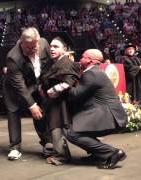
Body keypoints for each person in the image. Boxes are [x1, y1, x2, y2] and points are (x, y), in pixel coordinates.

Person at [67, 49, 128, 169]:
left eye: (83, 57)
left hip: (109, 116)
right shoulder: (95, 72)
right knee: (83, 131)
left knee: (73, 134)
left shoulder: (92, 73)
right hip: (108, 114)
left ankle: (112, 152)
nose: (80, 59)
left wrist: (65, 83)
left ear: (91, 60)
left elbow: (74, 94)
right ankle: (99, 154)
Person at [3, 27, 52, 160]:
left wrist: (44, 85)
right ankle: (15, 147)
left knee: (40, 114)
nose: (32, 50)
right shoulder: (13, 57)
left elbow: (49, 64)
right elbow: (20, 86)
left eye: (34, 46)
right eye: (28, 47)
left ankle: (47, 142)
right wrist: (31, 105)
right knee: (14, 113)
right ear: (21, 42)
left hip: (35, 85)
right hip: (14, 89)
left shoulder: (43, 43)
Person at [39, 35, 80, 164]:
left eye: (56, 46)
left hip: (61, 102)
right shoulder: (54, 62)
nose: (51, 49)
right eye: (51, 46)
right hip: (54, 102)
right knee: (56, 128)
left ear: (65, 49)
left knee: (57, 128)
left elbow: (70, 80)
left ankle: (61, 156)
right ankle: (61, 155)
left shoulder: (66, 62)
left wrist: (53, 90)